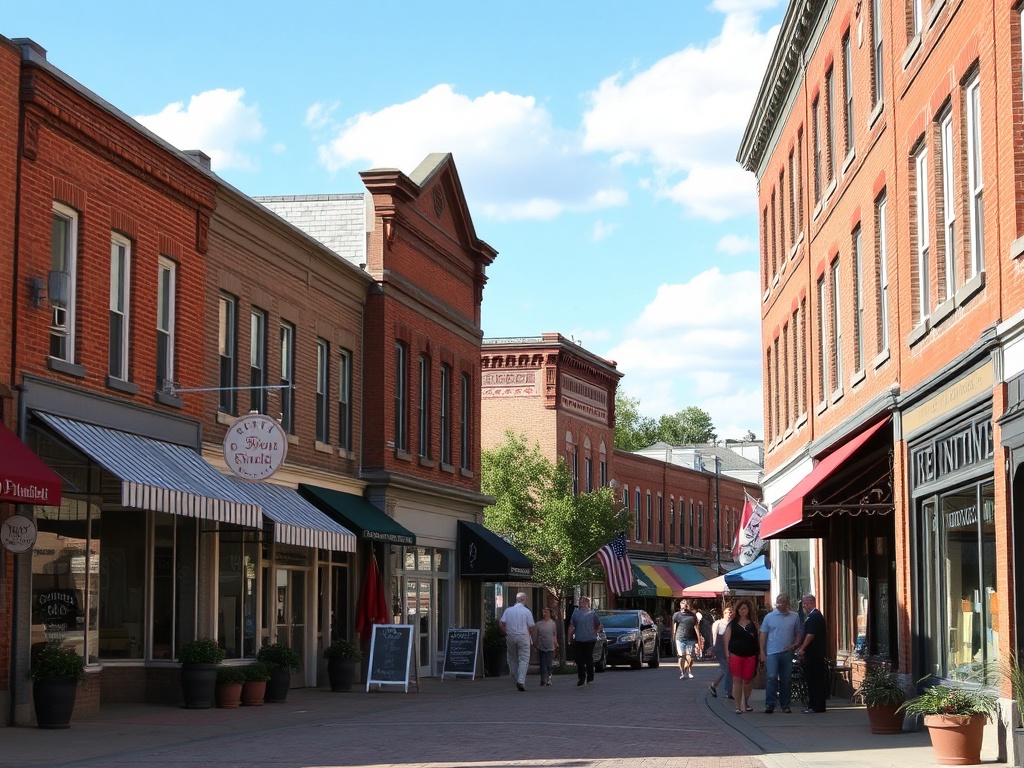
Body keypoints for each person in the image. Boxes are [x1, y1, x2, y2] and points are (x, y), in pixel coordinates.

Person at [759, 593, 802, 714]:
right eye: (777, 604)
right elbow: (763, 634)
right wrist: (762, 651)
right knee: (771, 677)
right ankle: (770, 704)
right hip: (772, 652)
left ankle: (785, 705)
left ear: (787, 604)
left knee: (786, 679)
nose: (778, 606)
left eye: (781, 604)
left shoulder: (794, 616)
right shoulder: (769, 617)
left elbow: (798, 633)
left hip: (787, 652)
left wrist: (795, 644)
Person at [723, 598, 759, 713]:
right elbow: (726, 639)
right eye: (740, 609)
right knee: (737, 681)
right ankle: (738, 706)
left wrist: (760, 653)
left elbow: (757, 639)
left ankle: (746, 702)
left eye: (744, 609)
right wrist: (727, 653)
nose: (742, 611)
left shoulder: (753, 624)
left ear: (748, 610)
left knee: (748, 680)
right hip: (735, 655)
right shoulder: (732, 624)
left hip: (750, 655)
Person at [797, 594, 827, 713]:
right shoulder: (812, 616)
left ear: (812, 603)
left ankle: (816, 705)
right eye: (803, 604)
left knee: (814, 680)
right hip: (813, 654)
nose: (804, 606)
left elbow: (810, 634)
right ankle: (814, 704)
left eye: (806, 603)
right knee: (813, 680)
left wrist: (802, 648)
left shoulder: (814, 616)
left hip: (814, 654)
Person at [499, 592, 536, 692]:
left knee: (512, 658)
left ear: (517, 599)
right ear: (524, 600)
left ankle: (517, 677)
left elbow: (501, 624)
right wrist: (529, 633)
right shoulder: (527, 611)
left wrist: (506, 633)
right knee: (524, 658)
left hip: (511, 635)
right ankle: (521, 680)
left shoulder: (508, 610)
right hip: (523, 636)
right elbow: (531, 626)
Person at [567, 596, 602, 686]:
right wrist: (569, 638)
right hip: (579, 638)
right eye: (580, 602)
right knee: (579, 659)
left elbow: (598, 625)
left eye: (583, 602)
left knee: (588, 657)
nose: (581, 603)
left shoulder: (593, 614)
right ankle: (582, 677)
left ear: (587, 603)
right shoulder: (575, 614)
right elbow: (571, 626)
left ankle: (590, 676)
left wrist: (595, 633)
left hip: (590, 639)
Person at [672, 599, 702, 679]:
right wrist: (673, 637)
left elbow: (696, 627)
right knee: (681, 656)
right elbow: (674, 627)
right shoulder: (676, 615)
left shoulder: (693, 615)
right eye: (683, 603)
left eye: (686, 603)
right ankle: (682, 673)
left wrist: (699, 638)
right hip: (680, 638)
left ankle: (688, 669)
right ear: (680, 604)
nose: (684, 604)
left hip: (691, 638)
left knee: (690, 657)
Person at [709, 606, 733, 698]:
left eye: (731, 612)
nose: (729, 614)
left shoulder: (733, 623)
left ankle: (727, 690)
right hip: (720, 648)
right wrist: (713, 648)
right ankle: (716, 686)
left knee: (729, 669)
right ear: (724, 613)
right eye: (727, 612)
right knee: (726, 668)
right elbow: (714, 636)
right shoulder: (718, 623)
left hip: (730, 647)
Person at [535, 607, 559, 687]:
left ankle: (549, 678)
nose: (544, 613)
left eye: (546, 612)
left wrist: (556, 644)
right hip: (541, 645)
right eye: (543, 612)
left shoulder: (552, 623)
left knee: (549, 663)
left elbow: (554, 635)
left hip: (550, 646)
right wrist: (535, 644)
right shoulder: (538, 624)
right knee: (542, 664)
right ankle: (542, 679)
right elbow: (535, 635)